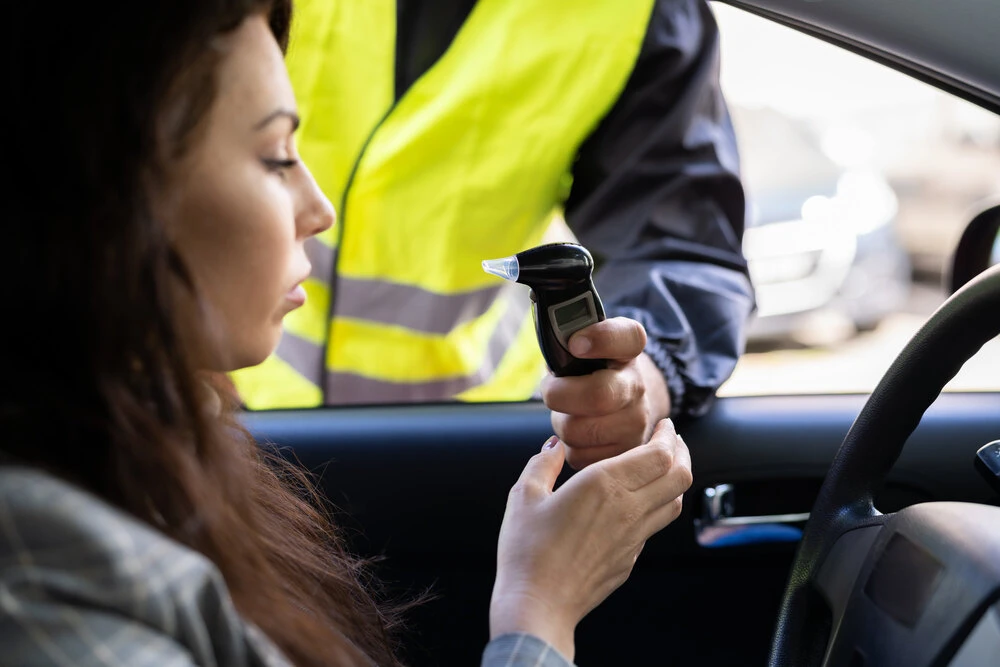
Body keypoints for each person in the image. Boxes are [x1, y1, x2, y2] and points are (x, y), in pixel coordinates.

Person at [1, 1, 693, 666]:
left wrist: (641, 370)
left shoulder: (149, 470)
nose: (318, 209)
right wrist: (537, 618)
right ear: (109, 193)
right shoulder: (39, 573)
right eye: (276, 155)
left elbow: (684, 237)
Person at [232, 0, 755, 467]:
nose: (316, 213)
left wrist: (635, 381)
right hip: (235, 421)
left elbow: (680, 241)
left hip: (486, 447)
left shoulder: (641, 12)